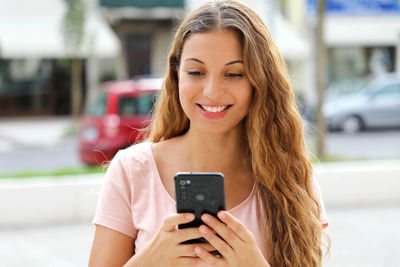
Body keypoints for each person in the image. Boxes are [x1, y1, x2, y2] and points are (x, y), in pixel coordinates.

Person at [89, 1, 329, 266]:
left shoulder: (292, 180)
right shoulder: (131, 171)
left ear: (259, 83)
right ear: (176, 75)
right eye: (196, 72)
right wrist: (150, 260)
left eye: (234, 74)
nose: (213, 91)